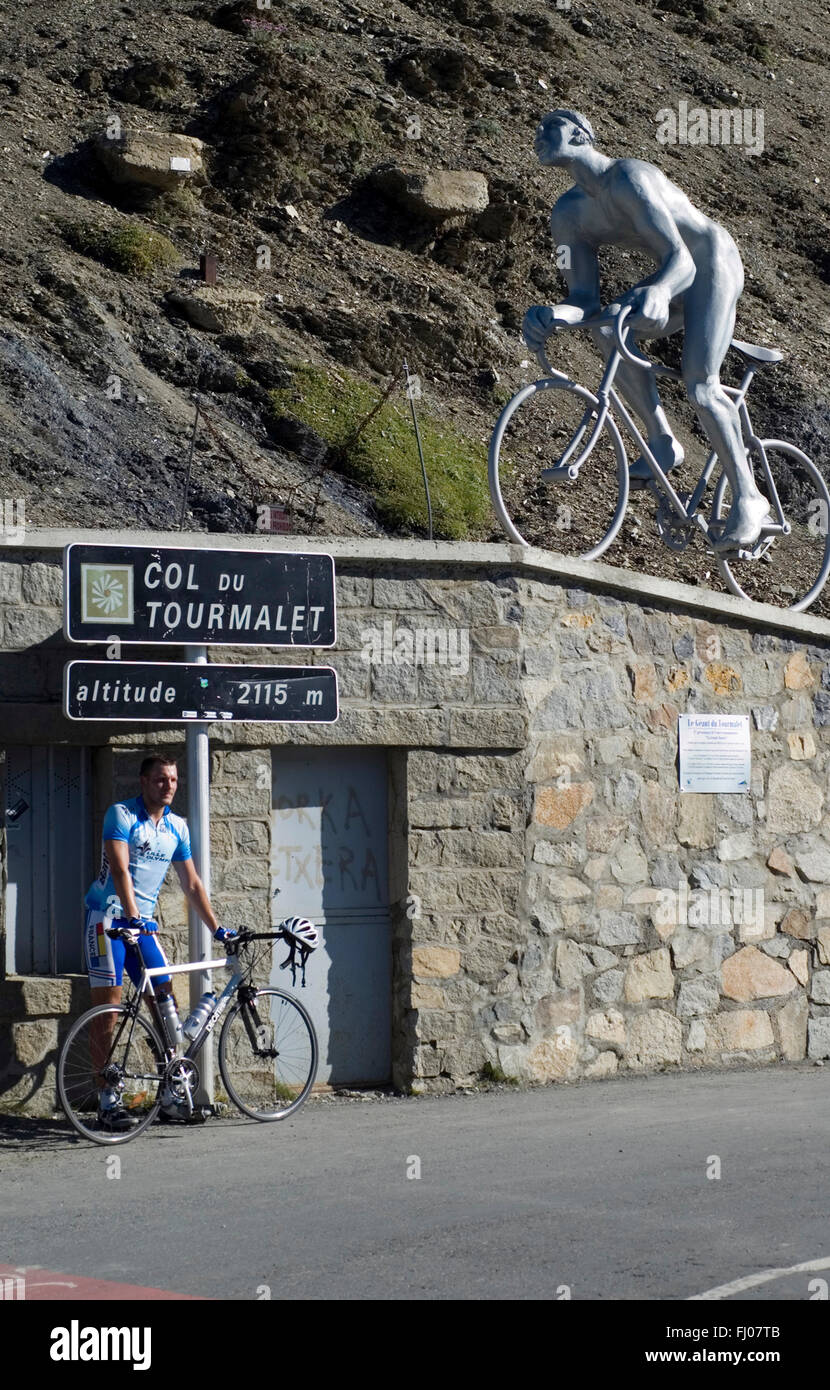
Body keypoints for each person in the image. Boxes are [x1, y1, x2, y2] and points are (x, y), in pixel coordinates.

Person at [523, 109, 772, 551]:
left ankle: (751, 498)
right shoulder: (566, 215)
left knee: (701, 386)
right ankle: (663, 442)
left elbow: (682, 257)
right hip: (672, 274)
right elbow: (583, 300)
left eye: (551, 126)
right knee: (606, 329)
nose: (539, 134)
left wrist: (657, 291)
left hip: (710, 260)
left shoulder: (629, 178)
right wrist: (553, 316)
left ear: (581, 134)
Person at [84, 752, 234, 1131]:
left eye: (173, 780)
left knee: (165, 1000)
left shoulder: (177, 827)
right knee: (109, 1009)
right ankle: (107, 1099)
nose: (168, 786)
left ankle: (168, 1094)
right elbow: (119, 869)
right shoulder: (121, 815)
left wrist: (218, 929)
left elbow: (192, 884)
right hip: (109, 921)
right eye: (160, 780)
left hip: (142, 924)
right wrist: (133, 915)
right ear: (143, 782)